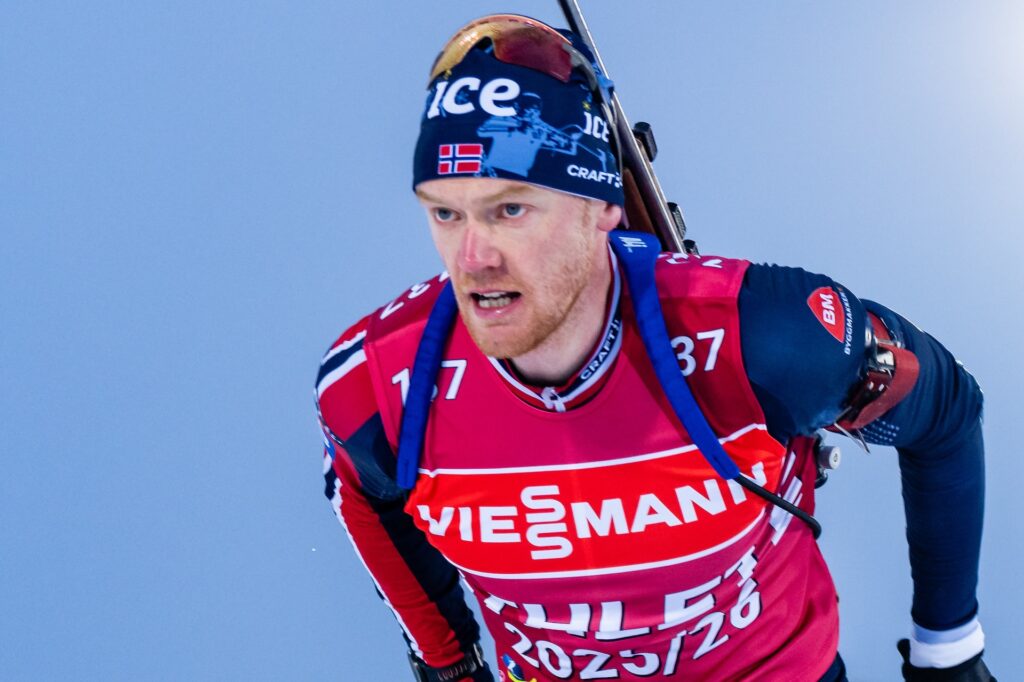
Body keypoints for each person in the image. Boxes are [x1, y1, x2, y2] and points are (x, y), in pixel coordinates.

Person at [315, 14, 994, 682]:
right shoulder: (378, 383)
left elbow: (946, 411)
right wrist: (449, 662)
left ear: (599, 209)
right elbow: (362, 494)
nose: (475, 258)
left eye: (513, 208)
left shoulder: (761, 336)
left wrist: (949, 651)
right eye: (447, 210)